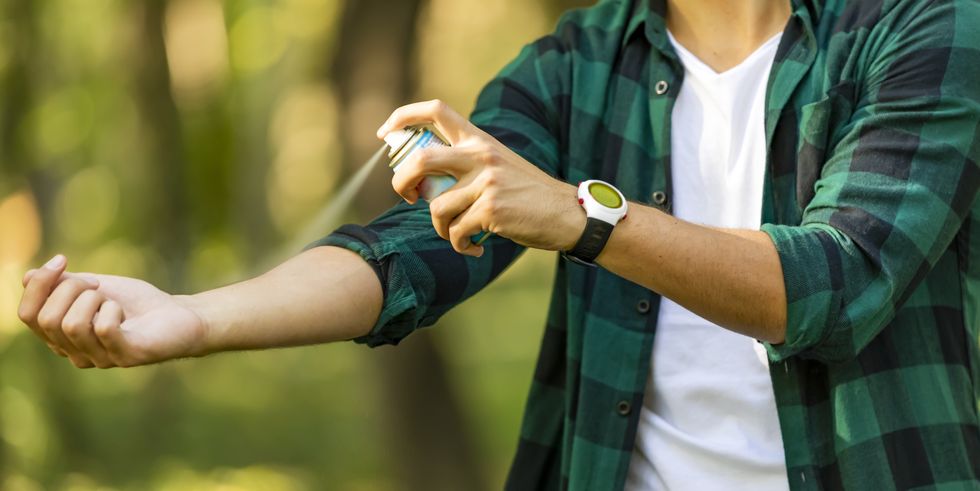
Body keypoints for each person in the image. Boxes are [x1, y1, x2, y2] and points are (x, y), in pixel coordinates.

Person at [16, 0, 980, 489]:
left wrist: (583, 216)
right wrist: (188, 318)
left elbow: (835, 282)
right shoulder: (576, 64)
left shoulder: (925, 28)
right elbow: (411, 251)